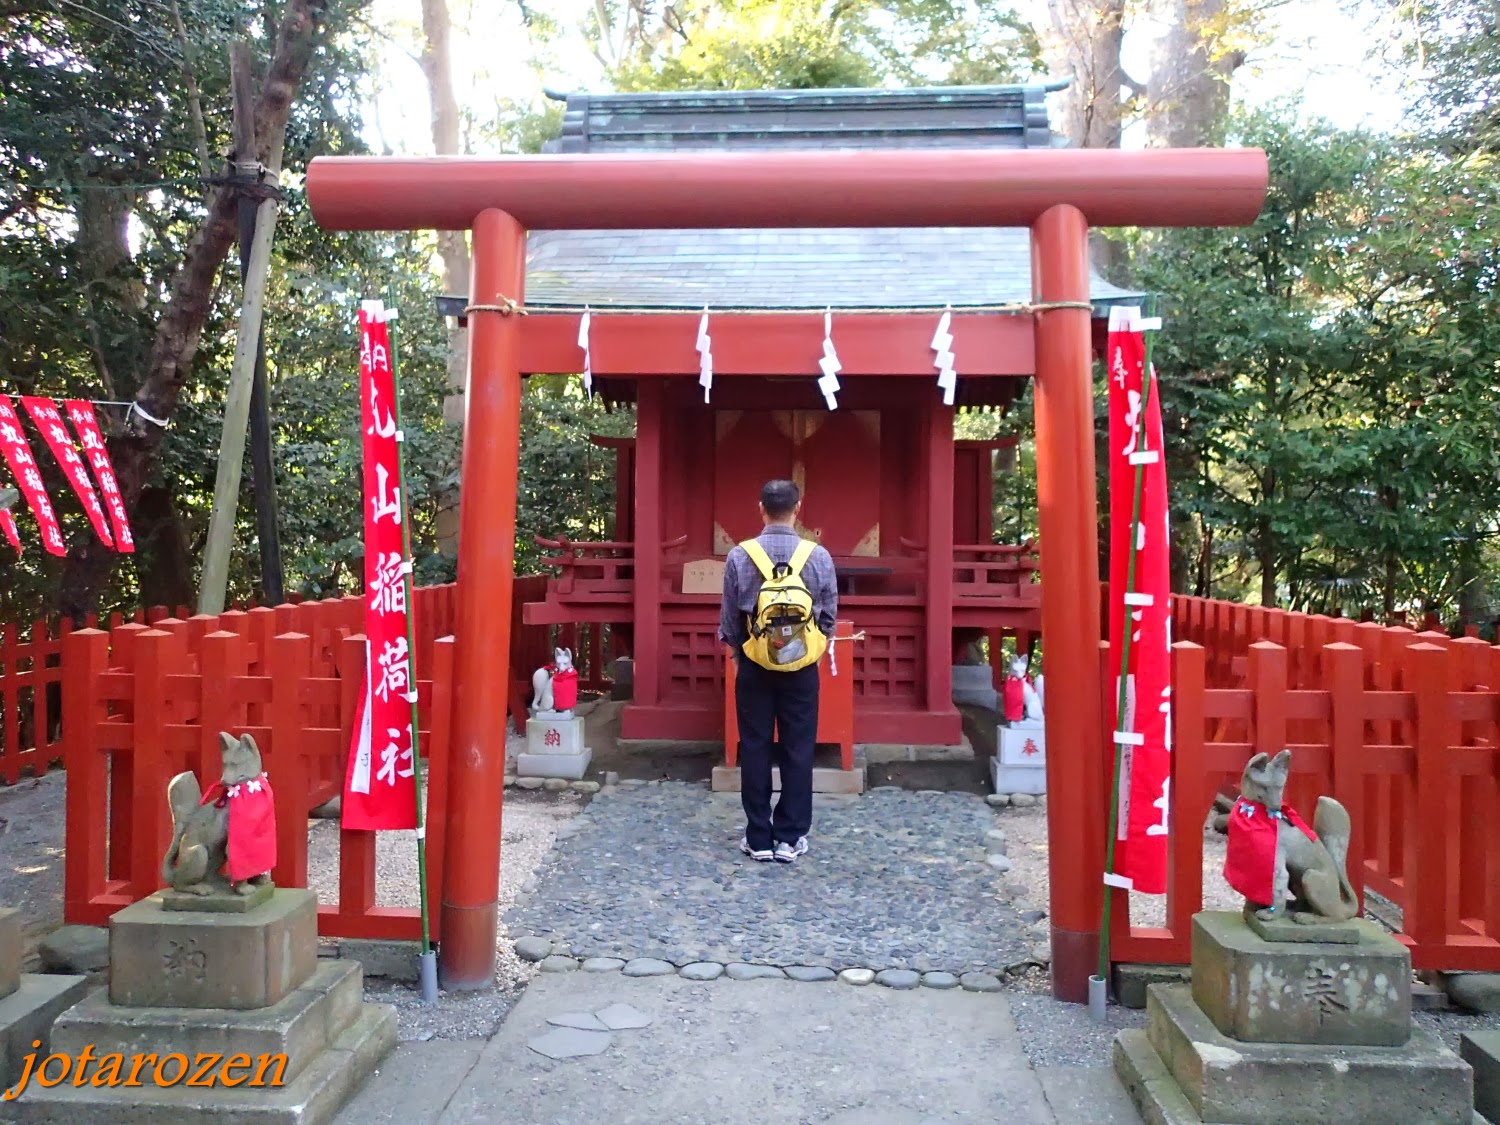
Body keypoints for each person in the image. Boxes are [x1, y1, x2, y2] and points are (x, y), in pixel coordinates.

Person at [718, 479, 838, 863]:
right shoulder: (818, 557)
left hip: (754, 663)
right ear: (797, 508)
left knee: (754, 746)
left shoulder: (740, 556)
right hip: (801, 666)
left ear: (761, 508)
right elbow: (829, 618)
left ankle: (759, 838)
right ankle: (789, 837)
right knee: (798, 748)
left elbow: (729, 622)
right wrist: (812, 655)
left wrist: (739, 657)